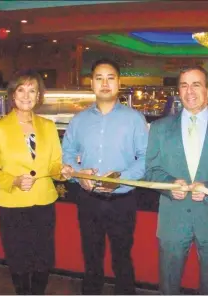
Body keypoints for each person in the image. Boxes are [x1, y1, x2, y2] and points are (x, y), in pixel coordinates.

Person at [145, 65, 208, 294]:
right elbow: (151, 169)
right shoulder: (159, 129)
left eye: (196, 84)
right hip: (172, 220)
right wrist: (169, 185)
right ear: (178, 91)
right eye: (184, 85)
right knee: (168, 287)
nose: (190, 91)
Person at [0, 69, 73, 295]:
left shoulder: (48, 126)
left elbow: (54, 165)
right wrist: (13, 180)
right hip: (12, 204)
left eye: (32, 90)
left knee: (43, 257)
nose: (26, 95)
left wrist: (63, 171)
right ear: (13, 94)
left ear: (39, 96)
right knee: (18, 257)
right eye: (21, 89)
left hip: (43, 202)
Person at [62, 58, 149, 295]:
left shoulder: (134, 119)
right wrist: (78, 175)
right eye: (99, 78)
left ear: (119, 82)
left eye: (110, 78)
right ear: (92, 83)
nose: (105, 83)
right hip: (88, 200)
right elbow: (67, 154)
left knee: (122, 258)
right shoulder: (79, 120)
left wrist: (120, 179)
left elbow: (145, 158)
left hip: (122, 201)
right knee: (91, 258)